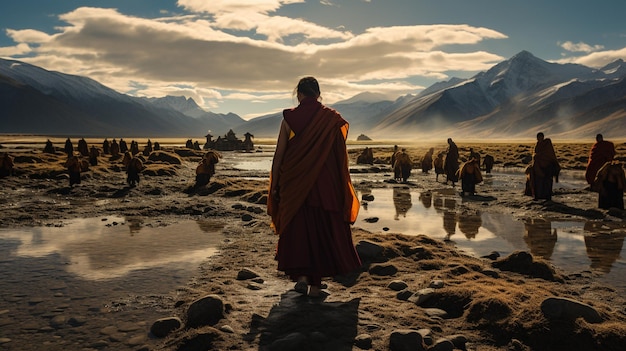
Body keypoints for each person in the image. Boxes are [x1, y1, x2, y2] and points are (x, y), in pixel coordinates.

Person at [267, 76, 361, 297]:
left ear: (299, 94)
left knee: (298, 228)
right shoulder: (330, 120)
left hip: (294, 181)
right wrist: (341, 186)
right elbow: (339, 158)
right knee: (321, 229)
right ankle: (315, 285)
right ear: (318, 95)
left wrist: (275, 184)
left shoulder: (289, 119)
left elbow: (279, 155)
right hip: (324, 184)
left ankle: (301, 277)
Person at [525, 132, 560, 201]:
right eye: (538, 138)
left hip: (548, 165)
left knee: (547, 181)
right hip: (538, 166)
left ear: (543, 137)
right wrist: (536, 157)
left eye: (540, 137)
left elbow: (549, 154)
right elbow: (535, 154)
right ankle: (537, 195)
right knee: (537, 181)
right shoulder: (537, 145)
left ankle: (547, 196)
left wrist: (538, 156)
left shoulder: (547, 143)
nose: (539, 139)